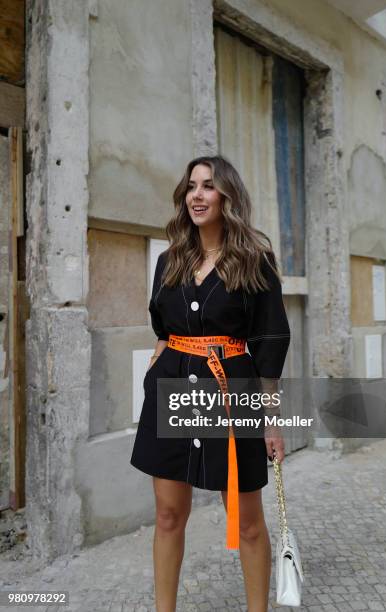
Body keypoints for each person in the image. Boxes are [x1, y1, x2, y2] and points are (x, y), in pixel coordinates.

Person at [130, 155, 290, 612]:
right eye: (191, 187)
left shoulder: (255, 260)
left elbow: (271, 339)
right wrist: (165, 348)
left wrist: (270, 420)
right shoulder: (170, 260)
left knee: (249, 523)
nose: (197, 195)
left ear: (227, 196)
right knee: (167, 515)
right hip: (173, 387)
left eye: (208, 186)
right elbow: (162, 322)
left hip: (231, 392)